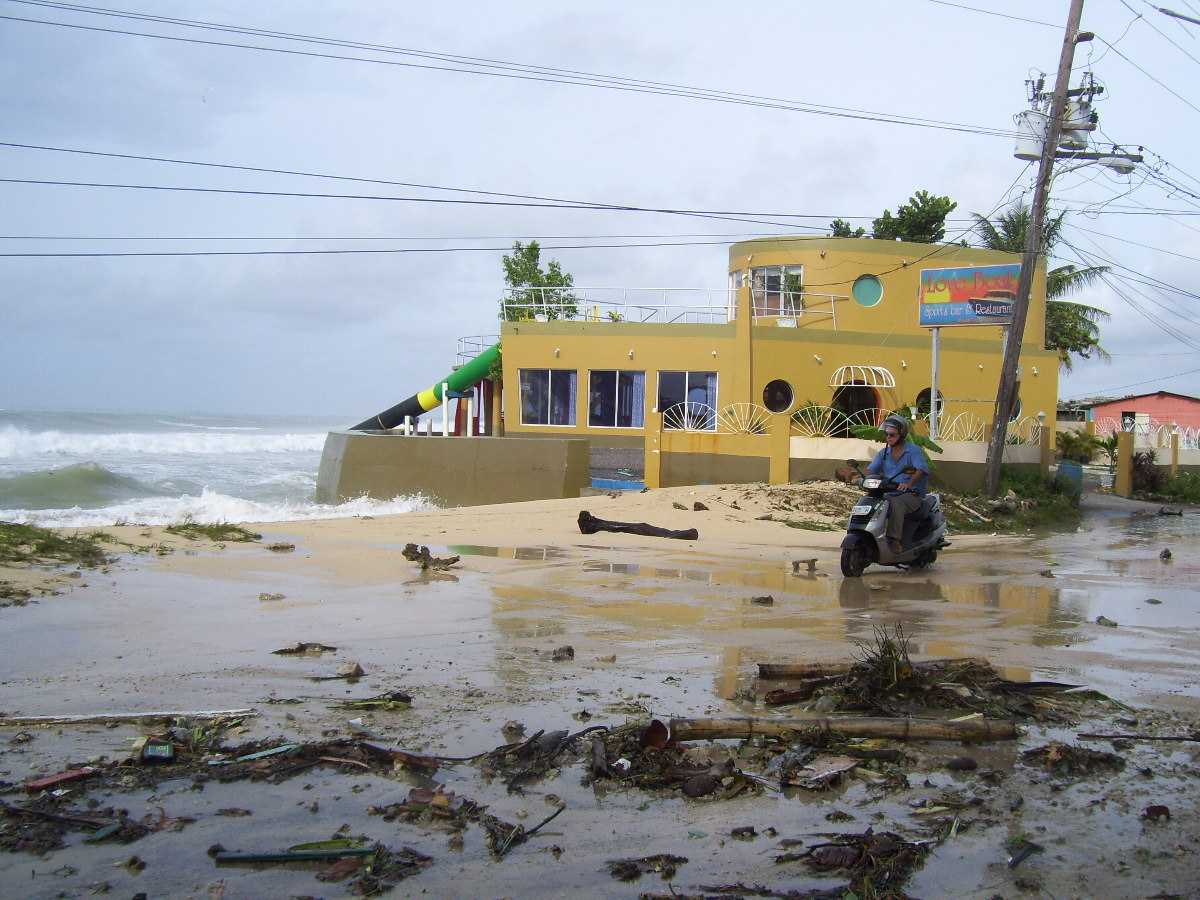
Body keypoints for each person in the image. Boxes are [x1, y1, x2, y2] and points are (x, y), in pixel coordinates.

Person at [863, 414, 929, 555]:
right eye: (887, 434)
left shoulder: (913, 450)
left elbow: (920, 470)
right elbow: (871, 470)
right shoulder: (884, 453)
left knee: (895, 503)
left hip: (911, 495)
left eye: (892, 435)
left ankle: (895, 540)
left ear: (902, 435)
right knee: (871, 501)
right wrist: (862, 479)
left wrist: (908, 484)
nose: (889, 437)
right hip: (889, 493)